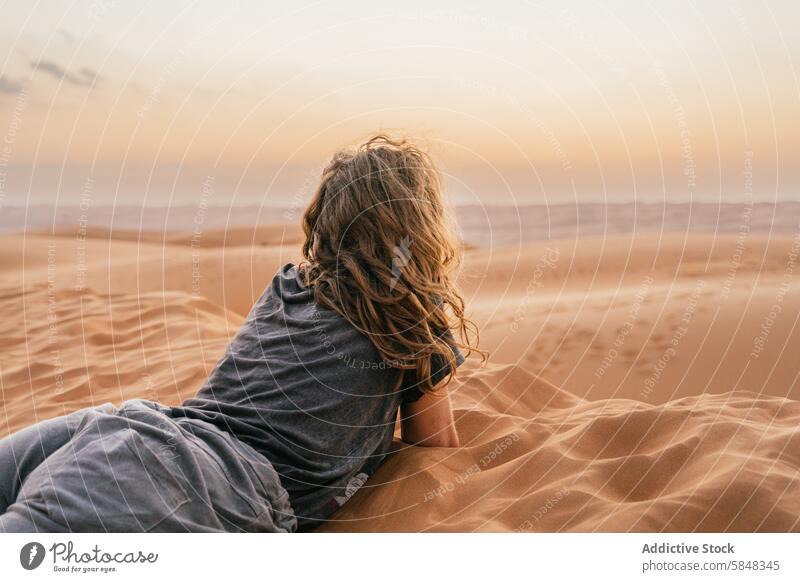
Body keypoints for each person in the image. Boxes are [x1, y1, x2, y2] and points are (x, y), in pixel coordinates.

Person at [0, 134, 483, 533]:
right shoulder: (409, 316)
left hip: (130, 424)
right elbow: (434, 447)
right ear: (419, 227)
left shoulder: (289, 285)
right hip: (207, 482)